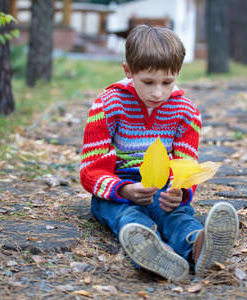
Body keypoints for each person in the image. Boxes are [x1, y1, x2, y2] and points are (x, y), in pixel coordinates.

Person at [80, 25, 238, 281]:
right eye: (148, 82)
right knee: (127, 216)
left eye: (167, 82)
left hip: (162, 185)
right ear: (128, 71)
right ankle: (155, 251)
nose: (158, 92)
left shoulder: (185, 111)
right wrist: (122, 190)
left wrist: (181, 192)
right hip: (117, 188)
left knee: (177, 215)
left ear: (177, 74)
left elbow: (186, 162)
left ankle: (199, 247)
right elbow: (91, 167)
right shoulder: (108, 104)